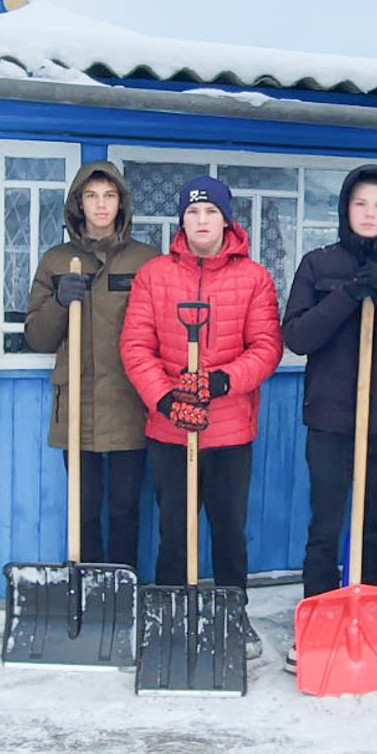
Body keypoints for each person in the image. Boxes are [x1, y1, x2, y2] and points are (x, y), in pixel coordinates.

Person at [281, 164, 377, 672]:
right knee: (325, 526)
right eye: (360, 203)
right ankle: (316, 623)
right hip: (329, 417)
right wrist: (347, 297)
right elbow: (299, 337)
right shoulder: (318, 264)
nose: (369, 214)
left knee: (371, 526)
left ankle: (371, 622)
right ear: (346, 208)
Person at [120, 176, 282, 660]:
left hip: (230, 430)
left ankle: (234, 613)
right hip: (170, 430)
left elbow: (266, 348)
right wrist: (165, 399)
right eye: (193, 213)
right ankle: (172, 613)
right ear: (181, 221)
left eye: (211, 212)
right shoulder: (155, 275)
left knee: (230, 529)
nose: (202, 221)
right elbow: (135, 346)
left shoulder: (254, 277)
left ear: (226, 219)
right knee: (175, 528)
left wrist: (222, 382)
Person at [25, 162, 159, 569]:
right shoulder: (57, 260)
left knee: (124, 508)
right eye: (91, 196)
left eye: (109, 195)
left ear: (121, 203)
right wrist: (60, 302)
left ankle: (122, 586)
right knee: (84, 509)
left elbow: (161, 329)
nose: (101, 205)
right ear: (78, 204)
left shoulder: (147, 260)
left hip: (129, 403)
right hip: (78, 405)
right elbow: (37, 337)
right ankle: (87, 585)